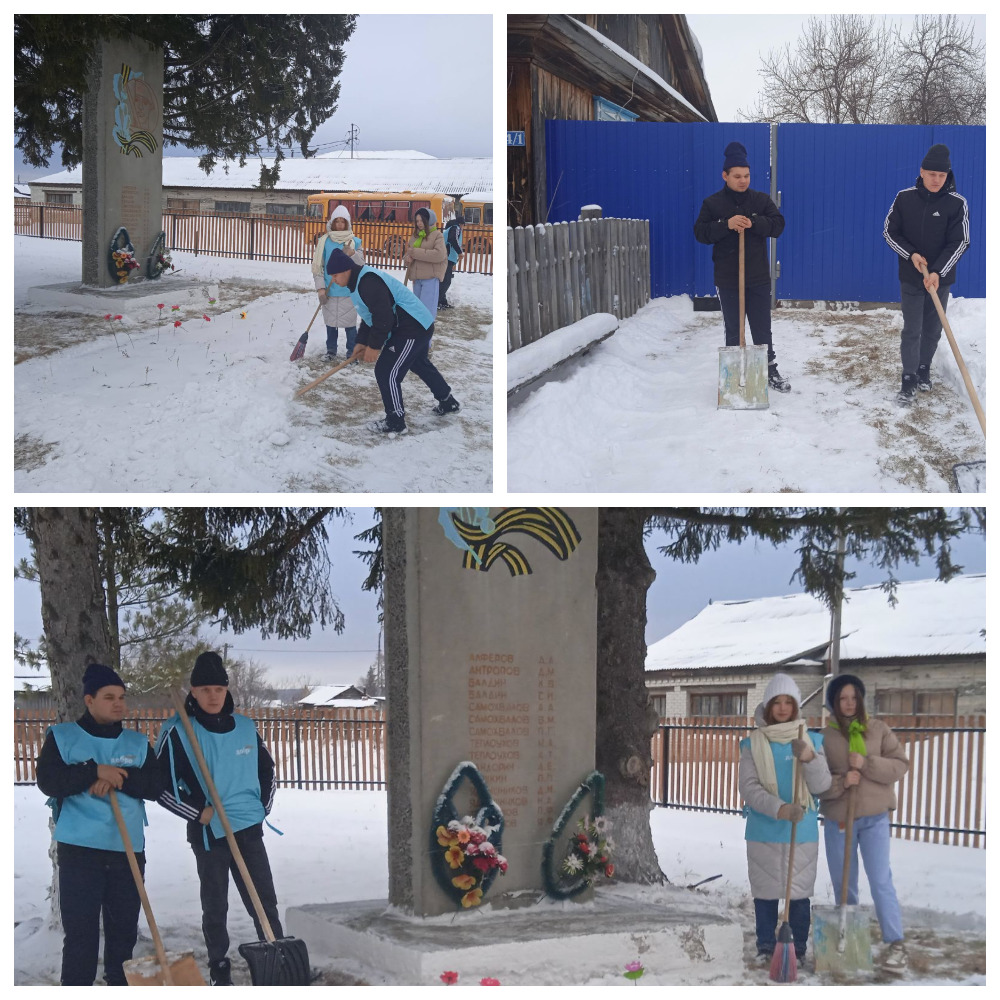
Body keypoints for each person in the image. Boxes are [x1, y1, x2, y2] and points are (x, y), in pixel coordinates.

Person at [155, 652, 284, 987]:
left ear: (227, 690)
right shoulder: (180, 731)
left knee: (264, 899)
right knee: (216, 904)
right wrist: (199, 812)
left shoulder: (245, 727)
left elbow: (267, 770)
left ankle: (278, 956)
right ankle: (219, 965)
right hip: (209, 832)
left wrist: (261, 809)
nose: (213, 695)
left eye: (219, 688)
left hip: (249, 828)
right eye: (205, 689)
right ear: (193, 692)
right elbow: (160, 786)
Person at [35, 662, 165, 986]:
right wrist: (93, 772)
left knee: (123, 939)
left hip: (127, 852)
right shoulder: (63, 738)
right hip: (80, 852)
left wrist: (117, 777)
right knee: (81, 940)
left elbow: (156, 785)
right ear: (89, 700)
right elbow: (49, 780)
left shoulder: (136, 744)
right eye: (110, 697)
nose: (119, 703)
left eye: (121, 696)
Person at [818, 674, 910, 974]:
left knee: (881, 880)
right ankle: (850, 940)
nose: (848, 704)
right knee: (844, 884)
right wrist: (843, 781)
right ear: (834, 701)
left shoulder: (878, 730)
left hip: (874, 818)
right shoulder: (825, 736)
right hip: (839, 820)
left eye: (853, 698)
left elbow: (899, 766)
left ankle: (896, 944)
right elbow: (818, 784)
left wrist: (867, 763)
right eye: (842, 698)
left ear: (860, 699)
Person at [738, 673, 831, 965]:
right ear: (767, 707)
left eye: (787, 702)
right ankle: (766, 947)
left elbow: (822, 786)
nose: (781, 708)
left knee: (799, 896)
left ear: (795, 706)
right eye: (775, 702)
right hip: (764, 828)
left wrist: (810, 759)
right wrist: (779, 808)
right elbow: (749, 788)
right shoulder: (752, 744)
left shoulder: (812, 740)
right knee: (765, 895)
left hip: (800, 830)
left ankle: (797, 950)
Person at [326, 246, 461, 435]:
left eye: (335, 275)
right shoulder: (357, 282)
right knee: (419, 364)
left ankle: (396, 422)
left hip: (413, 327)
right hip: (413, 325)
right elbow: (369, 317)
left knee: (386, 370)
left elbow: (384, 319)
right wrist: (361, 342)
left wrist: (374, 346)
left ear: (346, 270)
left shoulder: (368, 282)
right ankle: (448, 401)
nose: (333, 279)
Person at [694, 140, 790, 393]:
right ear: (725, 175)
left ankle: (769, 369)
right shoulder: (713, 203)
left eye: (746, 175)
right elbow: (701, 233)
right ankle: (734, 374)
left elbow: (778, 225)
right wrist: (726, 224)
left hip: (757, 276)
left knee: (761, 326)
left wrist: (754, 223)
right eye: (737, 176)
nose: (743, 180)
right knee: (734, 327)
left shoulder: (759, 200)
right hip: (728, 278)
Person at [883, 144, 970, 405]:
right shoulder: (904, 198)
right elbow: (890, 232)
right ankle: (908, 378)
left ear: (948, 175)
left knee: (932, 330)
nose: (936, 180)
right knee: (912, 329)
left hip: (939, 280)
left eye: (941, 175)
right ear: (921, 172)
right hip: (911, 277)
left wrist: (937, 272)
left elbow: (960, 241)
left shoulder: (957, 203)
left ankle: (923, 368)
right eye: (931, 174)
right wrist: (911, 255)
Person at [311, 205, 365, 358]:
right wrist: (321, 289)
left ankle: (351, 353)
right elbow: (318, 267)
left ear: (347, 223)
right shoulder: (324, 241)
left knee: (350, 325)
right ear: (332, 223)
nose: (340, 225)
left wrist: (353, 253)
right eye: (337, 221)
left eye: (343, 222)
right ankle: (331, 351)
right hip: (329, 290)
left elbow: (361, 264)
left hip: (348, 290)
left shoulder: (354, 242)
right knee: (330, 324)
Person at [404, 207, 447, 320]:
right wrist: (407, 258)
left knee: (427, 313)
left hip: (430, 279)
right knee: (417, 312)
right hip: (416, 279)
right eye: (417, 221)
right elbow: (409, 252)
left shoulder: (437, 235)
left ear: (429, 220)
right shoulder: (415, 236)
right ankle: (418, 337)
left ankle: (427, 338)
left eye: (422, 220)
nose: (419, 223)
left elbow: (439, 255)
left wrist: (415, 253)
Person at [439, 211, 464, 309]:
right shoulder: (456, 228)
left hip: (446, 257)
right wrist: (460, 252)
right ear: (461, 224)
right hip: (447, 257)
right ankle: (437, 302)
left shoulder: (452, 228)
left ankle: (442, 301)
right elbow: (453, 239)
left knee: (444, 280)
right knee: (446, 281)